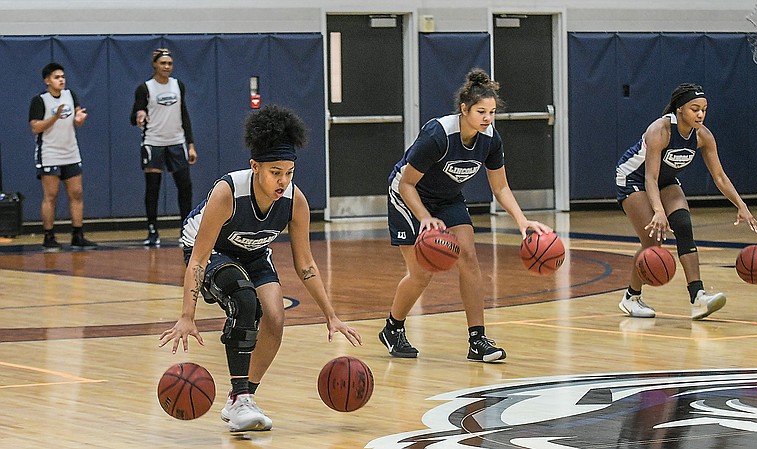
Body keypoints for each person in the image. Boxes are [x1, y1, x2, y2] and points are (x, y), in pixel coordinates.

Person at [158, 104, 362, 432]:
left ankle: (242, 398)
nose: (283, 180)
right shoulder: (228, 193)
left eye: (289, 172)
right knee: (244, 299)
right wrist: (187, 315)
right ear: (255, 167)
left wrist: (331, 315)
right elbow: (198, 258)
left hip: (252, 254)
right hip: (209, 250)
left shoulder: (295, 201)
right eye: (275, 172)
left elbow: (306, 263)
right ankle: (240, 397)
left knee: (276, 317)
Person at [380, 68, 552, 363]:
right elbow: (407, 184)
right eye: (481, 111)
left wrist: (522, 222)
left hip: (447, 198)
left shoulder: (491, 139)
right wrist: (424, 218)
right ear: (464, 109)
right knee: (422, 273)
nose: (487, 118)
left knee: (470, 258)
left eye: (492, 112)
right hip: (408, 196)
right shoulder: (438, 135)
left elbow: (501, 187)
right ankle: (392, 328)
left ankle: (477, 339)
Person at [615, 83, 757, 320]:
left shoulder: (703, 136)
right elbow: (650, 178)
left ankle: (698, 298)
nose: (701, 114)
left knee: (683, 225)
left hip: (665, 179)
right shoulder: (660, 130)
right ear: (680, 109)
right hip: (634, 177)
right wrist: (658, 211)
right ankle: (631, 297)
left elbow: (720, 177)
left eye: (704, 109)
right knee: (653, 242)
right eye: (695, 109)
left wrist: (741, 205)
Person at [130, 48, 197, 246]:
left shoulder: (178, 86)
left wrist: (190, 144)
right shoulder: (145, 88)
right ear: (155, 65)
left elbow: (184, 114)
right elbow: (133, 115)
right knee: (153, 188)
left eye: (169, 64)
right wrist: (139, 115)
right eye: (163, 63)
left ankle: (186, 228)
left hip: (176, 142)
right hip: (153, 142)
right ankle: (152, 230)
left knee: (185, 186)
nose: (166, 67)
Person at [29, 62, 97, 251]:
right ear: (47, 81)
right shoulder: (40, 101)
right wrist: (55, 117)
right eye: (57, 77)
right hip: (49, 153)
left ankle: (77, 234)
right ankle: (49, 236)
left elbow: (77, 117)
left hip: (71, 152)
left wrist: (79, 119)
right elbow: (35, 127)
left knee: (76, 193)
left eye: (63, 77)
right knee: (51, 196)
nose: (61, 80)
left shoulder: (70, 95)